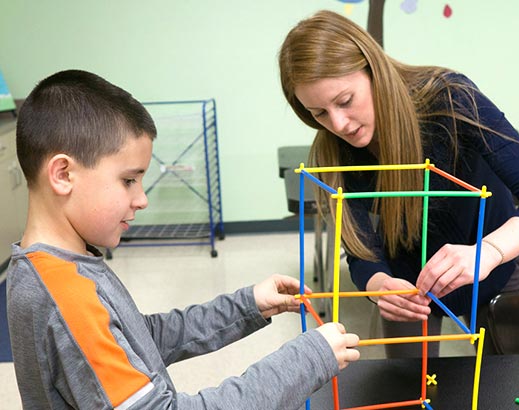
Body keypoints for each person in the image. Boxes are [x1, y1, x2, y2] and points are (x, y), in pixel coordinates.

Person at [6, 69, 360, 409]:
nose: (142, 198)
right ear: (63, 174)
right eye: (128, 180)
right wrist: (309, 357)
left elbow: (143, 340)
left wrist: (247, 305)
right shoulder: (66, 296)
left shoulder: (60, 265)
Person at [278, 10, 519, 357]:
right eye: (319, 113)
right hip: (410, 290)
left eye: (345, 101)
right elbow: (360, 251)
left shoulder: (450, 98)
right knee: (411, 388)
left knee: (501, 384)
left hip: (492, 267)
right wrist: (380, 286)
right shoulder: (332, 153)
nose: (338, 124)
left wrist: (485, 253)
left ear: (374, 72)